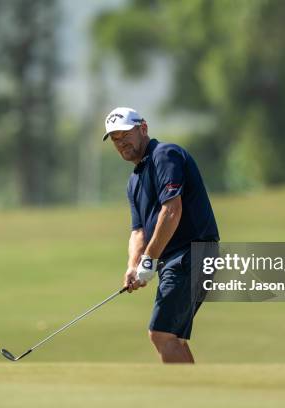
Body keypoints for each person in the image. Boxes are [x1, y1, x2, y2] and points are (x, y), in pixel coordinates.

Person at [103, 107, 219, 363]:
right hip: (175, 259)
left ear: (143, 127)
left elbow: (171, 211)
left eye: (125, 135)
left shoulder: (164, 155)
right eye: (115, 139)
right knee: (172, 337)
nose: (121, 143)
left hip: (192, 252)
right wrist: (133, 266)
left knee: (161, 333)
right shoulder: (134, 181)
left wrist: (149, 259)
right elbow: (138, 231)